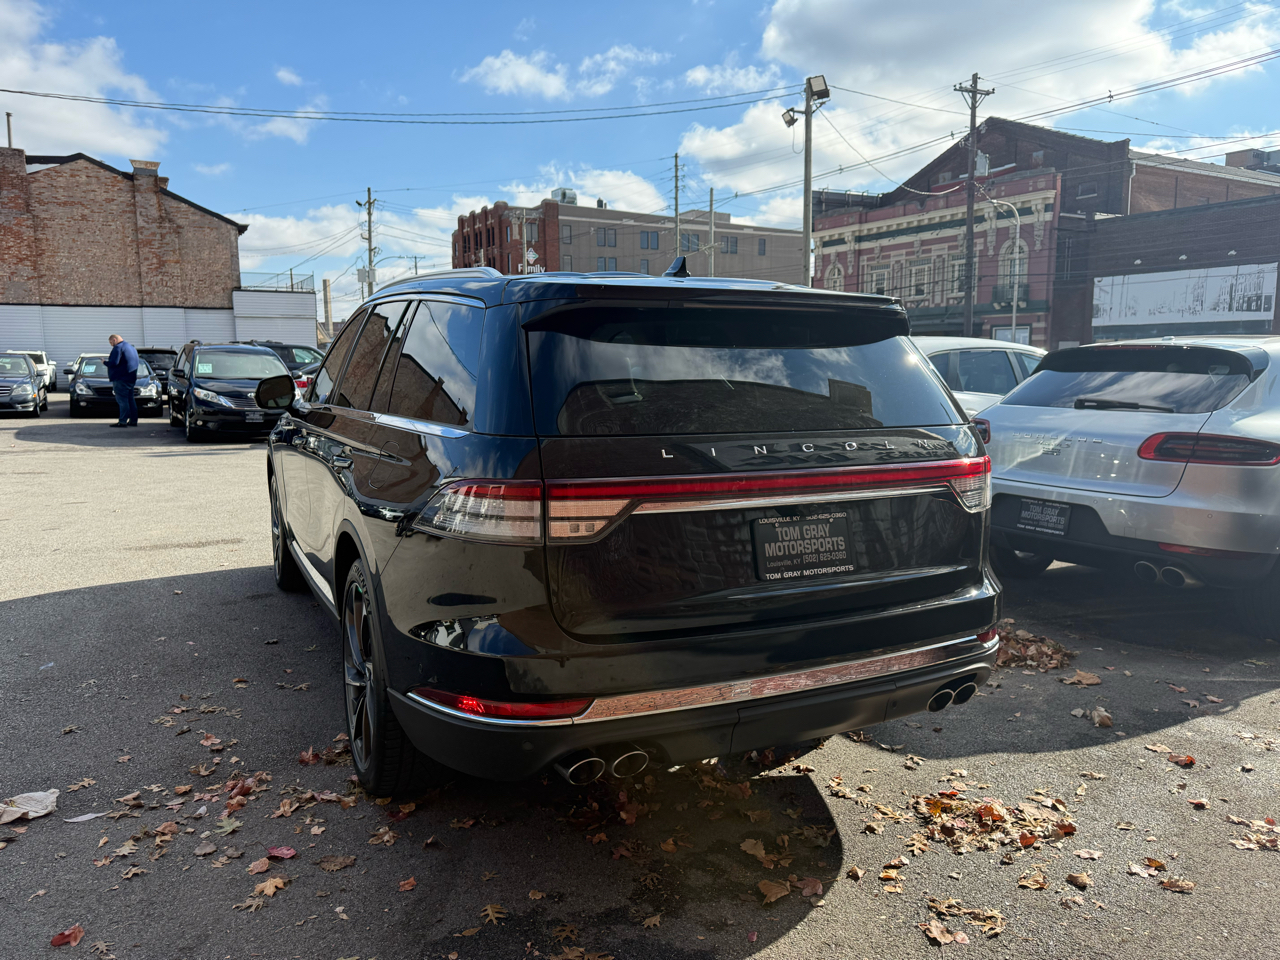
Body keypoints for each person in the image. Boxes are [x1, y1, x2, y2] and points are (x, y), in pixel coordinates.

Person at [105, 334, 139, 428]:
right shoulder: (131, 348)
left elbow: (114, 362)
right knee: (131, 400)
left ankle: (122, 421)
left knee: (122, 401)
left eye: (111, 342)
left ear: (114, 340)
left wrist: (105, 362)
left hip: (121, 379)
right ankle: (133, 420)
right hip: (131, 378)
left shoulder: (118, 348)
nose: (111, 345)